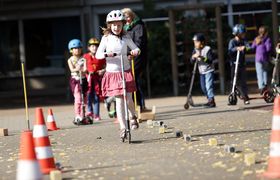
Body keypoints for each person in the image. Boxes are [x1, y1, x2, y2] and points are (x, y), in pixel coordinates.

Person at [96, 10, 140, 141]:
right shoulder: (106, 38)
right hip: (112, 73)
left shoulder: (126, 38)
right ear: (109, 25)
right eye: (114, 25)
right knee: (119, 100)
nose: (116, 27)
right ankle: (122, 127)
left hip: (125, 71)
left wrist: (134, 52)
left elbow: (136, 48)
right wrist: (107, 55)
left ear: (123, 25)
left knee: (128, 98)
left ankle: (133, 116)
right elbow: (98, 54)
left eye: (119, 25)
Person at [122, 8, 148, 112]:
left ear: (132, 16)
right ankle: (132, 106)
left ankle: (140, 106)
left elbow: (139, 41)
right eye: (124, 17)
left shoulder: (138, 26)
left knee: (134, 80)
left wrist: (133, 52)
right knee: (130, 81)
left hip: (137, 58)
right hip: (127, 57)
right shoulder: (124, 27)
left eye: (128, 17)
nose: (127, 19)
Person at [190, 33, 216, 107]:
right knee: (203, 88)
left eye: (197, 42)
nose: (195, 44)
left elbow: (210, 60)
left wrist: (201, 57)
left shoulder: (207, 49)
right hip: (201, 72)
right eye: (194, 42)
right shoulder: (195, 50)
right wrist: (193, 57)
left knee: (209, 86)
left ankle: (211, 100)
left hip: (209, 71)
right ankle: (209, 99)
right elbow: (191, 61)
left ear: (202, 42)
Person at [83, 38, 106, 121]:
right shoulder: (85, 56)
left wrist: (102, 71)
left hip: (97, 80)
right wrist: (85, 70)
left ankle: (96, 114)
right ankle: (89, 112)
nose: (94, 48)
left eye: (96, 46)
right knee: (88, 96)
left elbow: (106, 66)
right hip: (88, 79)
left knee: (96, 97)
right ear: (89, 47)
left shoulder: (101, 57)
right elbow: (83, 67)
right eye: (92, 46)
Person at [228, 24, 250, 105]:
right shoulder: (232, 42)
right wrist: (236, 48)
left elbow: (249, 47)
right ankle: (232, 96)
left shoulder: (244, 41)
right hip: (234, 64)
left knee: (243, 81)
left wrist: (245, 47)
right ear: (237, 33)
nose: (244, 35)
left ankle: (245, 97)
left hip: (242, 64)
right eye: (242, 33)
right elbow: (229, 51)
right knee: (234, 80)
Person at [67, 39, 88, 124]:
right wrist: (78, 69)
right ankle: (77, 115)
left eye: (79, 48)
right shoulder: (70, 60)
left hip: (83, 79)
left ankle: (83, 115)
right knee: (78, 99)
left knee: (84, 99)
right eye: (75, 48)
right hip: (75, 81)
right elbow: (72, 69)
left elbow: (86, 69)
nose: (77, 50)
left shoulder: (84, 59)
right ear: (71, 50)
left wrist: (82, 70)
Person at [251, 26, 272, 95]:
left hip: (258, 59)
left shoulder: (256, 39)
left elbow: (252, 47)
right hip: (265, 58)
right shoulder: (267, 39)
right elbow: (268, 49)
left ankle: (261, 87)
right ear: (266, 33)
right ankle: (265, 85)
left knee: (259, 73)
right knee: (265, 72)